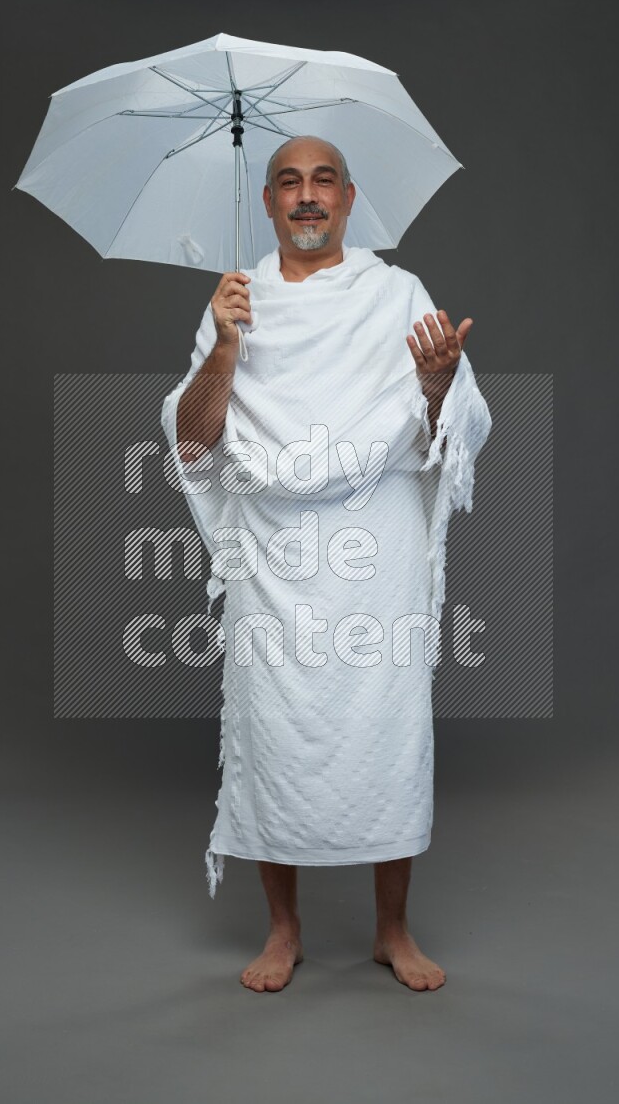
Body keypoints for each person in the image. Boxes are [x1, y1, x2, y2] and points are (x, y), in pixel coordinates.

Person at [160, 136, 491, 993]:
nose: (307, 197)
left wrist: (436, 384)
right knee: (273, 731)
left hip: (370, 546)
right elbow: (195, 443)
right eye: (288, 183)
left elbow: (448, 425)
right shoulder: (235, 301)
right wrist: (227, 344)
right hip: (270, 554)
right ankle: (283, 930)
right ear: (267, 203)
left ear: (349, 198)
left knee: (387, 730)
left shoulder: (394, 294)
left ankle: (392, 930)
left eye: (323, 181)